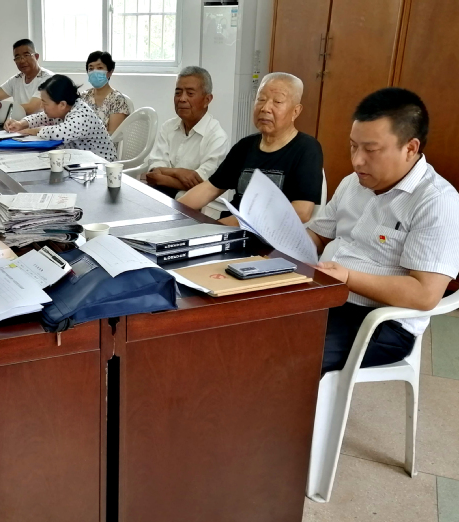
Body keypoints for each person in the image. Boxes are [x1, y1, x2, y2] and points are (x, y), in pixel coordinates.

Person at [308, 88, 459, 374]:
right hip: (326, 294)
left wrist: (348, 277)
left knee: (284, 352)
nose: (357, 161)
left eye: (371, 150)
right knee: (244, 326)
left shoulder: (437, 202)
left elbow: (424, 294)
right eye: (353, 146)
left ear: (410, 148)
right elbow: (318, 235)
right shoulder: (353, 183)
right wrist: (282, 240)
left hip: (380, 321)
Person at [179, 72, 323, 225]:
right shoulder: (245, 146)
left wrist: (226, 225)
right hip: (231, 228)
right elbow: (210, 188)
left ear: (296, 111)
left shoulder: (307, 149)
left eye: (277, 102)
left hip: (266, 234)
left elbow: (302, 211)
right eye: (261, 99)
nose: (265, 108)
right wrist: (173, 209)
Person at [141, 66, 229, 199]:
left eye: (190, 93)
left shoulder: (217, 137)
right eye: (178, 93)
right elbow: (153, 172)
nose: (182, 99)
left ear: (207, 100)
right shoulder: (168, 127)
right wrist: (179, 173)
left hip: (193, 203)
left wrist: (163, 177)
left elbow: (202, 185)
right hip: (161, 196)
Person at [5, 74, 118, 162]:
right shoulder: (65, 108)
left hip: (103, 166)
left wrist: (31, 131)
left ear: (62, 104)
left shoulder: (81, 115)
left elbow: (58, 133)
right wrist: (21, 123)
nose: (41, 106)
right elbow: (41, 117)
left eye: (45, 103)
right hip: (81, 163)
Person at [0, 39, 55, 121]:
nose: (22, 60)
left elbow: (31, 108)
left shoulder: (49, 79)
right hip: (19, 125)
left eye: (26, 55)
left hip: (43, 126)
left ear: (36, 56)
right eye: (17, 57)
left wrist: (0, 108)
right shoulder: (17, 79)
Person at [81, 51, 130, 134]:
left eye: (99, 68)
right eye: (91, 69)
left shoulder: (117, 100)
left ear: (110, 72)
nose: (94, 72)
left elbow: (114, 134)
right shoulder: (83, 97)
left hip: (105, 142)